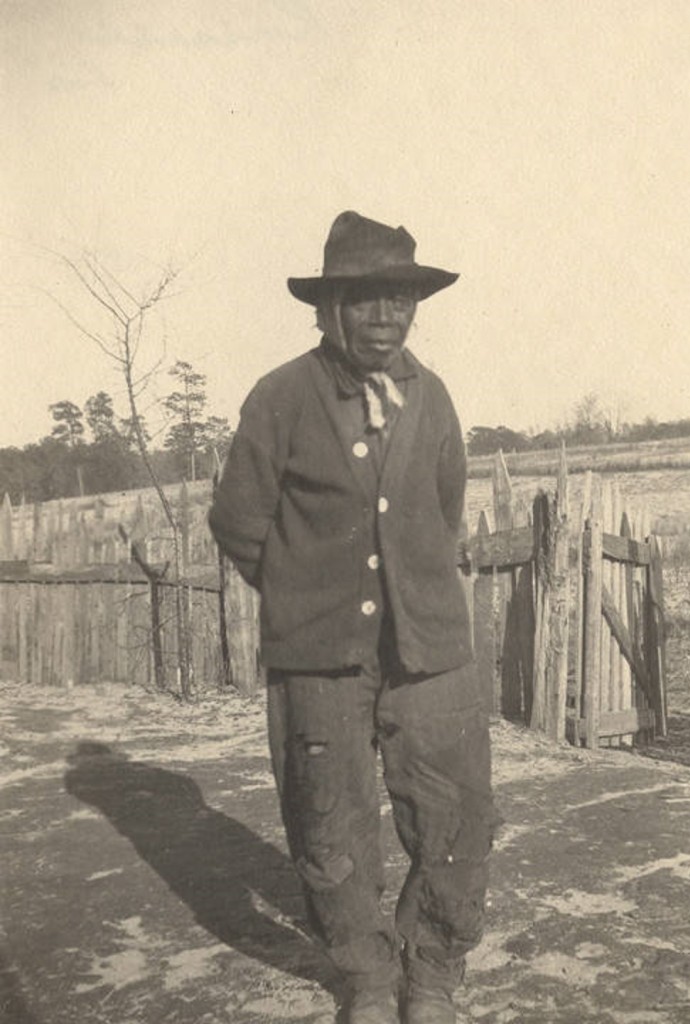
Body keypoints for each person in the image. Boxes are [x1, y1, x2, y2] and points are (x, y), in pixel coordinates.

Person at [209, 211, 494, 1024]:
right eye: (365, 301)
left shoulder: (431, 397)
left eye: (399, 300)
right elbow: (238, 520)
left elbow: (442, 510)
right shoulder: (280, 397)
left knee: (456, 810)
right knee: (327, 812)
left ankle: (432, 971)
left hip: (429, 651)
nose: (384, 318)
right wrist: (302, 596)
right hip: (319, 656)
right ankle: (367, 976)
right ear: (327, 308)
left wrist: (417, 592)